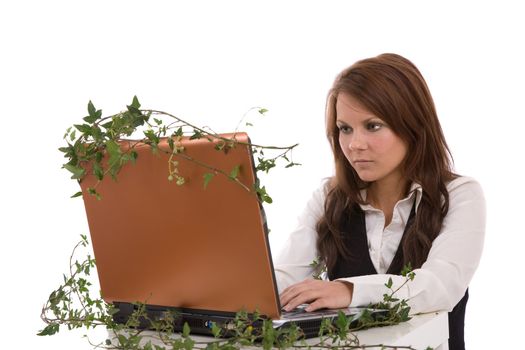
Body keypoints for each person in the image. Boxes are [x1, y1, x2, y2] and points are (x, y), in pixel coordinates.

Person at [274, 53, 485, 350]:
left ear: (413, 124)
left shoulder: (459, 195)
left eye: (373, 126)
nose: (354, 144)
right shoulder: (329, 198)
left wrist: (349, 290)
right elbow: (285, 278)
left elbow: (441, 286)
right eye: (345, 128)